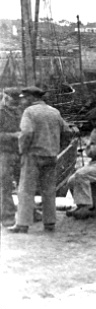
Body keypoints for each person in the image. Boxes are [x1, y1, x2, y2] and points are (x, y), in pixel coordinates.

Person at [8, 86, 76, 233]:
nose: (23, 101)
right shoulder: (54, 112)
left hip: (33, 156)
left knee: (26, 190)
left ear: (31, 98)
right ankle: (50, 223)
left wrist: (22, 150)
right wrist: (57, 148)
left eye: (24, 98)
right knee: (49, 190)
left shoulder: (29, 112)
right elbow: (67, 132)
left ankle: (22, 224)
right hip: (51, 156)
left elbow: (26, 133)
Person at [0, 88, 24, 227]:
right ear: (6, 98)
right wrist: (13, 135)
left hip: (19, 152)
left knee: (24, 184)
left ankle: (27, 212)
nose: (17, 103)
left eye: (18, 101)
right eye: (14, 101)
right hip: (4, 153)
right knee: (6, 185)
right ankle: (7, 216)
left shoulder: (18, 111)